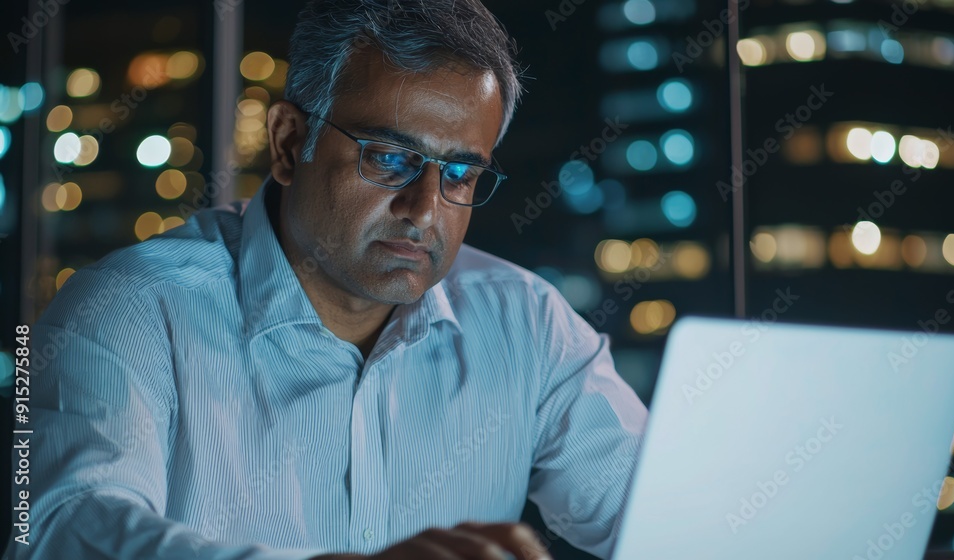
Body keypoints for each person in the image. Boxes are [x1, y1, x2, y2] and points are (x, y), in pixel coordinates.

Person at [10, 1, 648, 558]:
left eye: (459, 174)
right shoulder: (126, 310)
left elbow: (663, 518)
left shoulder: (526, 323)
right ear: (289, 142)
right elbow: (56, 530)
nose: (425, 210)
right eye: (390, 158)